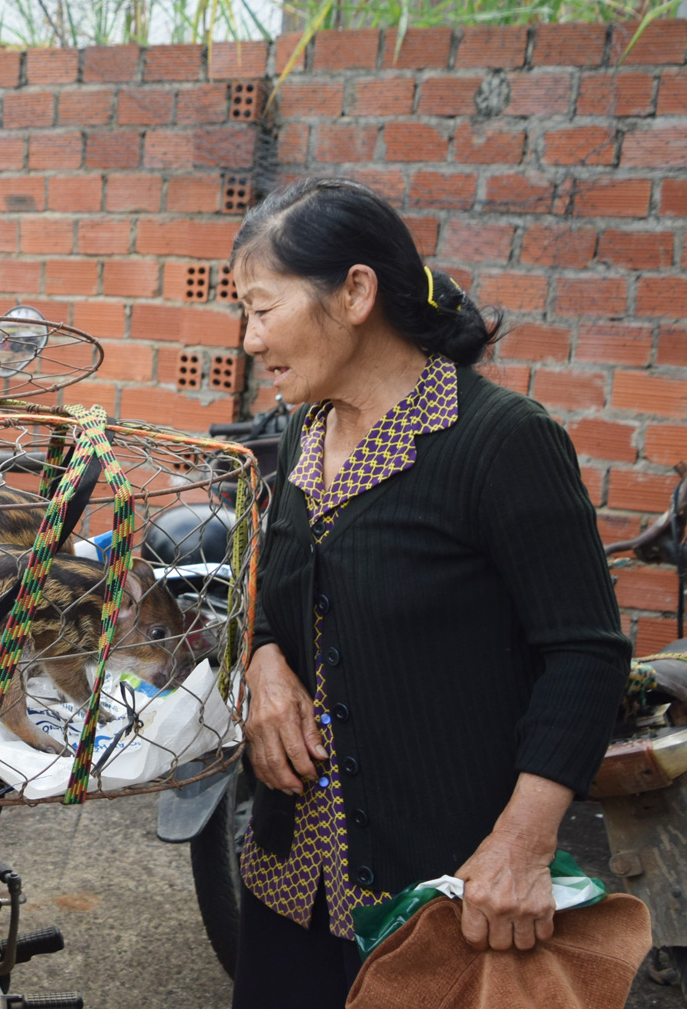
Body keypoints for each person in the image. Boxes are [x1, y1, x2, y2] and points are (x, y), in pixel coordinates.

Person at [228, 177, 630, 1006]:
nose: (248, 339)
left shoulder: (501, 441)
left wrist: (522, 844)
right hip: (290, 881)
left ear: (356, 293)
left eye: (262, 310)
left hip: (443, 899)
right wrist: (266, 661)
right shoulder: (307, 429)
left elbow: (585, 655)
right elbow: (278, 590)